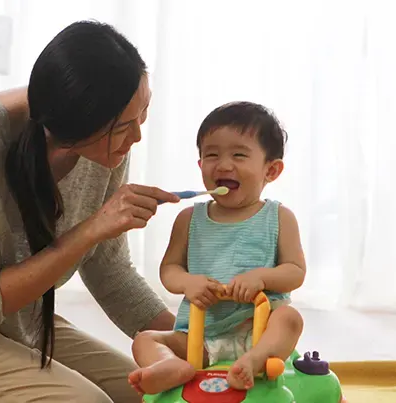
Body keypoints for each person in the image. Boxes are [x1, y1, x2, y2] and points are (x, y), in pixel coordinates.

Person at [0, 20, 181, 402]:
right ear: (79, 124)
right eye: (125, 126)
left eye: (143, 114)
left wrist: (197, 342)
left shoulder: (102, 146)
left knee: (152, 394)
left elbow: (109, 271)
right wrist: (89, 230)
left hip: (15, 317)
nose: (136, 138)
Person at [128, 101, 306, 394]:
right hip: (201, 335)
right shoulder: (189, 219)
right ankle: (170, 365)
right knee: (145, 339)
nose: (223, 165)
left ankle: (252, 362)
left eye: (238, 154)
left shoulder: (279, 217)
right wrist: (188, 282)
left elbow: (295, 272)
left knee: (289, 318)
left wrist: (262, 277)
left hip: (258, 331)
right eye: (211, 155)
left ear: (271, 170)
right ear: (200, 165)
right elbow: (169, 269)